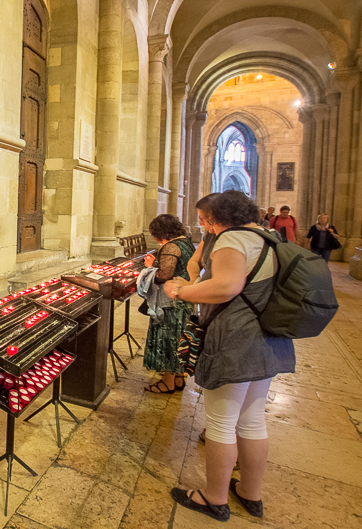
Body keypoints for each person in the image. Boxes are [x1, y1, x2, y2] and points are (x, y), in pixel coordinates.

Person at [164, 191, 295, 522]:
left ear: (215, 216)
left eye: (205, 218)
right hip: (266, 338)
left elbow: (227, 286)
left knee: (221, 423)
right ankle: (251, 493)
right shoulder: (267, 237)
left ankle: (214, 498)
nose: (203, 224)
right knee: (251, 420)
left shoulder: (233, 239)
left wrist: (181, 290)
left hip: (236, 339)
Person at [140, 214, 196, 394]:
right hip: (185, 298)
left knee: (169, 340)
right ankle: (178, 378)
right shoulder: (186, 242)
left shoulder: (171, 246)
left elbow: (165, 274)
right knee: (180, 339)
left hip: (171, 302)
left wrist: (149, 267)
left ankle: (167, 382)